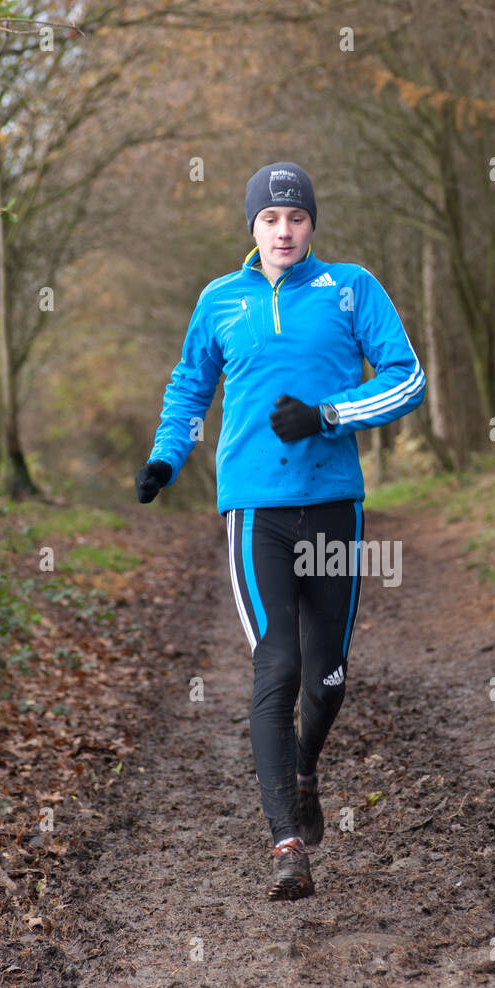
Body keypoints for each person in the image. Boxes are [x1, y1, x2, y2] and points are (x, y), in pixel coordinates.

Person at [135, 161, 425, 901]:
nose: (284, 230)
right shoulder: (219, 300)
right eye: (271, 218)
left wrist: (330, 414)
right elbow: (190, 385)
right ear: (253, 227)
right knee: (279, 664)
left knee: (328, 676)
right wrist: (167, 456)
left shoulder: (351, 288)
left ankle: (303, 769)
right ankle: (285, 845)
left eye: (296, 218)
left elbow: (405, 376)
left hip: (331, 501)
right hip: (254, 507)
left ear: (311, 225)